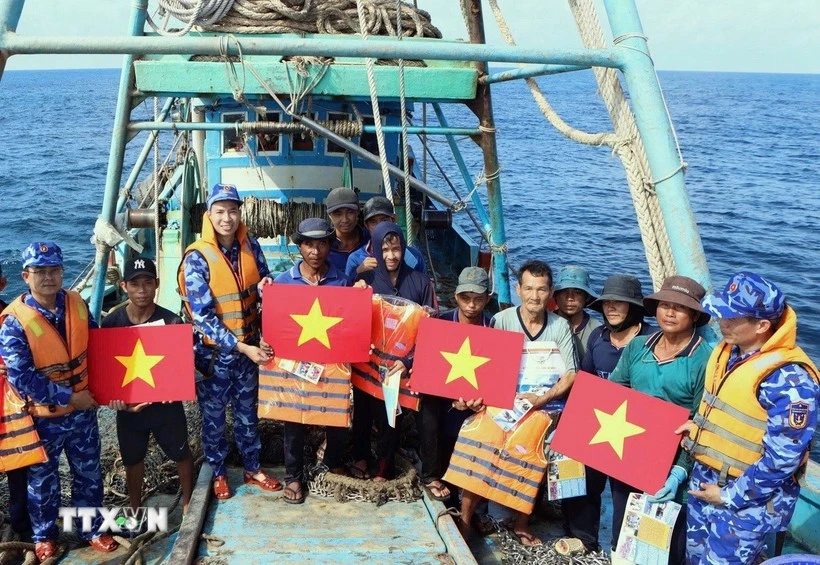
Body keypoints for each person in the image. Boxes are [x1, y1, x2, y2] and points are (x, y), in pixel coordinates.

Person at [679, 272, 818, 565]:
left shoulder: (791, 380)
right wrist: (699, 429)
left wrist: (728, 496)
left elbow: (782, 459)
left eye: (731, 317)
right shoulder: (731, 352)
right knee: (693, 558)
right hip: (707, 480)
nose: (721, 322)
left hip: (744, 501)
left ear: (762, 325)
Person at [0, 242, 118, 561]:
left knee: (89, 473)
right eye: (40, 271)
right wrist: (70, 397)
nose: (48, 277)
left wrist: (110, 389)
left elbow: (98, 349)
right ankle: (44, 536)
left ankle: (92, 528)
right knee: (42, 481)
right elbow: (21, 378)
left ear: (62, 272)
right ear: (26, 276)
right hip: (44, 416)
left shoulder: (78, 303)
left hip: (83, 414)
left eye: (54, 270)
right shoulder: (13, 321)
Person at [448, 260, 578, 547]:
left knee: (533, 448)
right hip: (503, 401)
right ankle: (466, 519)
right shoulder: (502, 320)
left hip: (543, 407)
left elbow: (571, 374)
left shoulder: (560, 326)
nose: (535, 296)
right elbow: (487, 366)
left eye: (542, 289)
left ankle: (521, 522)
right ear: (518, 289)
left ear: (551, 292)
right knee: (478, 439)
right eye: (529, 288)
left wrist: (542, 399)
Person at [179, 183, 281, 500]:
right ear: (210, 215)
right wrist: (241, 347)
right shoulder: (197, 258)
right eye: (220, 211)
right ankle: (219, 473)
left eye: (233, 211)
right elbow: (203, 317)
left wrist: (267, 287)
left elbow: (265, 284)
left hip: (248, 350)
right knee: (213, 419)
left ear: (239, 213)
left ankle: (253, 468)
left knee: (248, 416)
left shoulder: (250, 245)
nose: (227, 218)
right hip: (213, 356)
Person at [608, 275, 713, 565]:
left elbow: (702, 423)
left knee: (664, 542)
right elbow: (613, 392)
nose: (669, 312)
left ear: (694, 315)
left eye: (679, 307)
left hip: (672, 460)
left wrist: (680, 471)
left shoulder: (706, 359)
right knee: (622, 531)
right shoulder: (637, 346)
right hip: (625, 449)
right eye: (664, 305)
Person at [557, 274, 654, 555]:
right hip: (598, 422)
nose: (611, 308)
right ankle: (584, 538)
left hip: (633, 429)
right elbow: (585, 381)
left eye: (619, 303)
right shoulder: (599, 337)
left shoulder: (650, 341)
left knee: (626, 494)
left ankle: (620, 548)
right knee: (584, 484)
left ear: (634, 307)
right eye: (607, 302)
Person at [271, 218, 356, 505]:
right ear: (299, 247)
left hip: (332, 362)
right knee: (293, 421)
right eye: (309, 244)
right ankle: (293, 476)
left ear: (330, 246)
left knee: (338, 417)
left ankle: (330, 463)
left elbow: (350, 327)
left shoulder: (343, 282)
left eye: (321, 244)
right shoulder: (282, 283)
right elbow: (273, 328)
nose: (316, 251)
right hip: (296, 364)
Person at [103, 257, 194, 514]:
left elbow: (181, 368)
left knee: (180, 453)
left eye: (147, 283)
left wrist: (174, 390)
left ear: (157, 284)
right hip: (130, 408)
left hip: (166, 407)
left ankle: (187, 502)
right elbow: (107, 370)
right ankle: (134, 506)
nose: (142, 290)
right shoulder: (111, 324)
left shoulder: (173, 323)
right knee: (133, 459)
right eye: (135, 284)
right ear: (123, 286)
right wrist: (115, 399)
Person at [350, 221, 436, 480]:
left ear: (403, 248)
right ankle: (361, 457)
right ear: (375, 249)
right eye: (384, 249)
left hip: (400, 366)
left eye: (396, 249)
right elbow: (350, 321)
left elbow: (433, 330)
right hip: (367, 363)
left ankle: (384, 466)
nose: (390, 255)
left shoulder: (421, 282)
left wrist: (409, 361)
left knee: (390, 416)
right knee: (363, 413)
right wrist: (355, 293)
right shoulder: (364, 280)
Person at [418, 267, 490, 505]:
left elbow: (497, 376)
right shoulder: (440, 322)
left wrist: (480, 399)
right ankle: (431, 474)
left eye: (478, 299)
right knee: (427, 404)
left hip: (478, 399)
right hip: (444, 395)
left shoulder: (494, 329)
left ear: (487, 299)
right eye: (465, 298)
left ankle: (478, 497)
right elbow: (428, 368)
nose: (471, 305)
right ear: (456, 297)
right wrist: (451, 397)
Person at [0, 263, 37, 541]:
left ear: (2, 283)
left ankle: (20, 527)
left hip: (13, 407)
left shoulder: (16, 317)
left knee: (18, 467)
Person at [344, 196, 427, 279]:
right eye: (373, 222)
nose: (380, 226)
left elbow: (424, 286)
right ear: (366, 225)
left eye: (384, 220)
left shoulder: (414, 257)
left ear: (394, 219)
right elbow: (346, 289)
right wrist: (358, 272)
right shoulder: (355, 259)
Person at [553, 265, 601, 361]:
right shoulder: (543, 323)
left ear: (586, 297)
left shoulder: (598, 332)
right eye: (564, 292)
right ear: (555, 296)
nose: (570, 298)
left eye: (577, 292)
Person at [325, 187, 368, 273]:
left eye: (350, 212)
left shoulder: (370, 240)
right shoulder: (324, 246)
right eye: (338, 214)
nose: (345, 219)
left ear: (358, 212)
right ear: (330, 215)